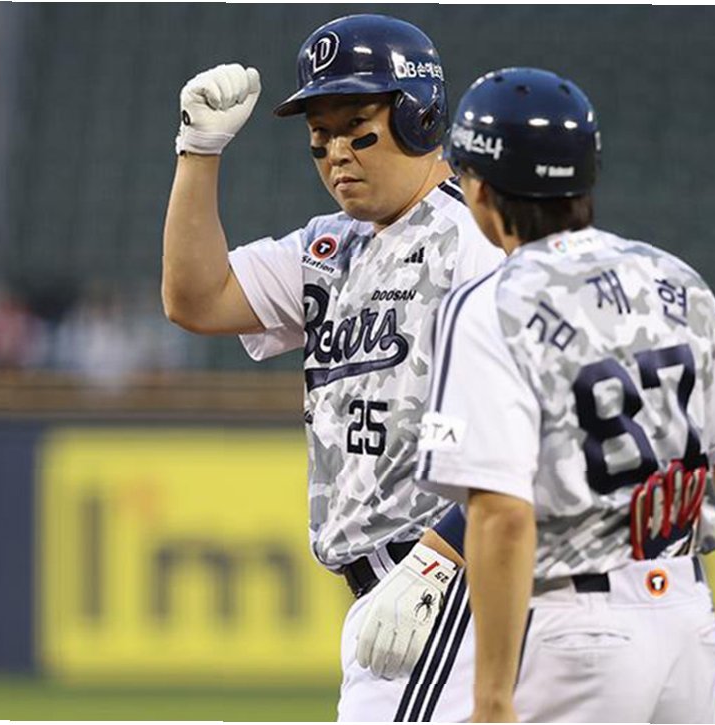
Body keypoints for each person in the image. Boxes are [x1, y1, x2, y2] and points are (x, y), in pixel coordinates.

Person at [160, 14, 504, 721]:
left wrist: (440, 560)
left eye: (356, 128)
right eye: (320, 137)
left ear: (418, 115)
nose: (336, 153)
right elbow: (195, 298)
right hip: (393, 591)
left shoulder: (475, 238)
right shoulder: (329, 247)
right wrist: (198, 152)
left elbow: (531, 427)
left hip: (454, 579)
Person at [415, 67, 715, 723]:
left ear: (479, 188)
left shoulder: (492, 303)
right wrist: (636, 520)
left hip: (576, 625)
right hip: (685, 617)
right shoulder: (674, 279)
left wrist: (491, 698)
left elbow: (500, 514)